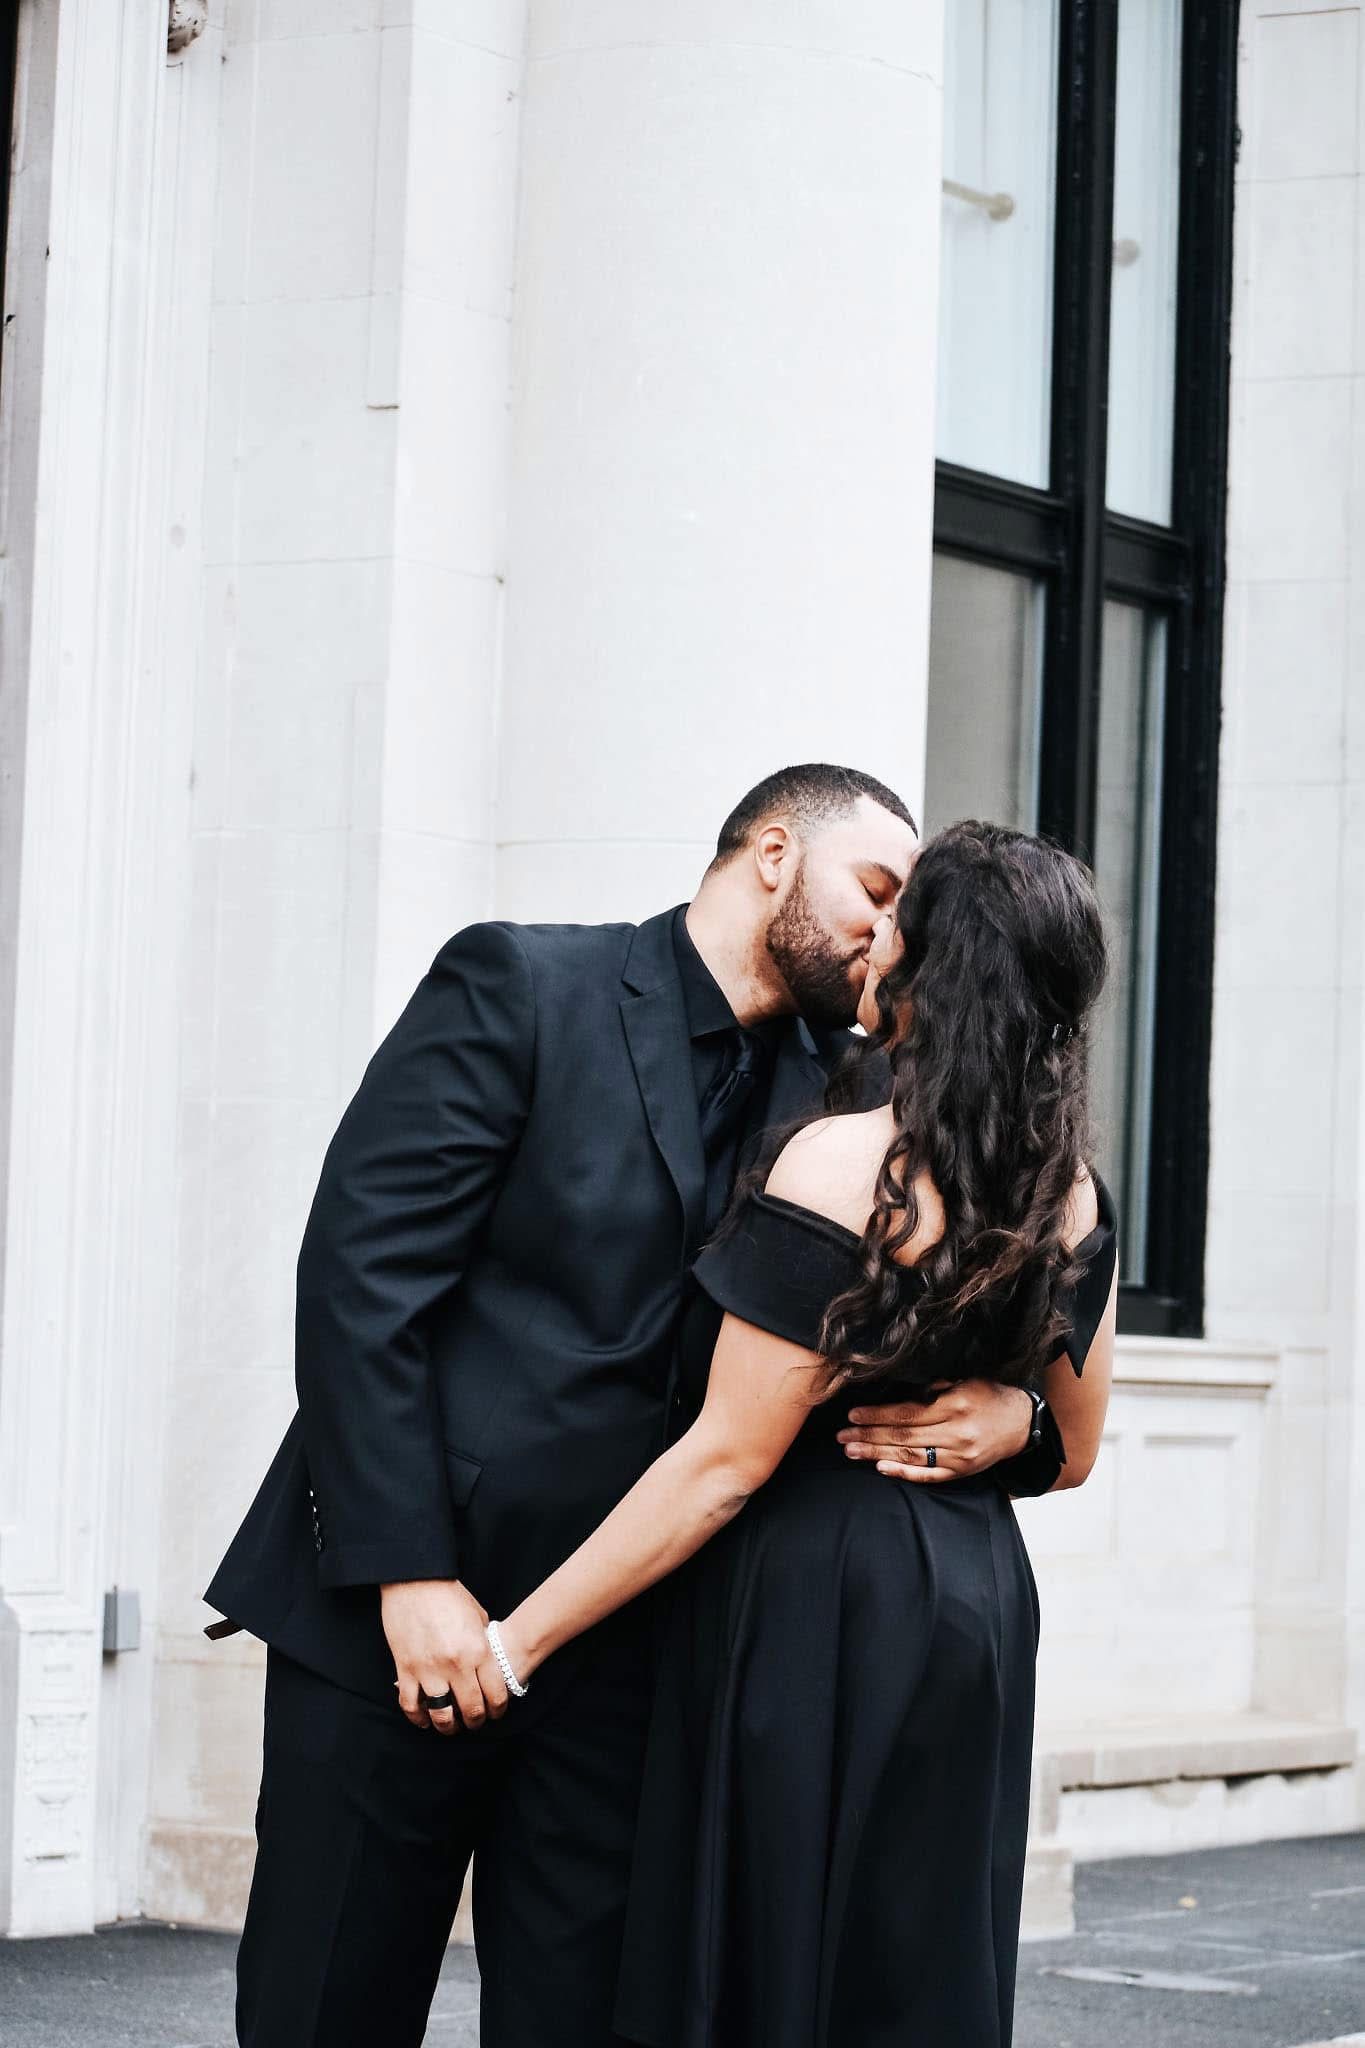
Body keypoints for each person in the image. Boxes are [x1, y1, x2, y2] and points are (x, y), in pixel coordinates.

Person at [203, 769, 1071, 2047]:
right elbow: (360, 1283)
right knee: (324, 2007)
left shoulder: (855, 1104)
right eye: (874, 893)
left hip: (639, 1659)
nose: (886, 936)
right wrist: (410, 1576)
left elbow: (991, 1268)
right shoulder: (521, 984)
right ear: (775, 853)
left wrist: (1025, 1424)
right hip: (394, 1631)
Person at [459, 820, 1119, 2047]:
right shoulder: (1068, 1187)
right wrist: (1013, 1416)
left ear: (934, 967)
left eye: (897, 918)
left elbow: (723, 1461)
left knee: (777, 1943)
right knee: (911, 1950)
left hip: (816, 1592)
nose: (875, 938)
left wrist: (513, 1642)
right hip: (971, 1605)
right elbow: (1072, 1447)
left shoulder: (845, 1164)